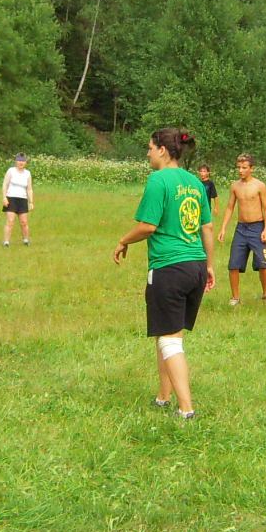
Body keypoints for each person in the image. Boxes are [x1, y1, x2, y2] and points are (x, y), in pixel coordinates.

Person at [111, 127, 214, 420]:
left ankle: (186, 409)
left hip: (169, 268)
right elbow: (206, 226)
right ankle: (163, 397)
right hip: (195, 266)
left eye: (150, 148)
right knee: (168, 332)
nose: (147, 153)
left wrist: (122, 241)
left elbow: (148, 226)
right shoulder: (194, 182)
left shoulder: (158, 180)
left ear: (163, 150)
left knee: (170, 340)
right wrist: (209, 266)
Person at [219, 153, 266, 305]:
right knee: (233, 265)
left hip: (257, 227)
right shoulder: (235, 186)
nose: (240, 171)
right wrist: (223, 228)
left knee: (263, 264)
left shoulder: (259, 186)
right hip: (241, 229)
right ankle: (235, 297)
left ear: (251, 168)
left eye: (244, 168)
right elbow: (230, 207)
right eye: (239, 167)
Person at [1, 153, 34, 246]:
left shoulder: (27, 173)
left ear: (26, 162)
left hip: (22, 199)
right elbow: (5, 184)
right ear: (16, 161)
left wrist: (31, 202)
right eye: (19, 160)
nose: (21, 163)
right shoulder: (11, 171)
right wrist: (4, 197)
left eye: (23, 161)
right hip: (11, 198)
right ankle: (6, 241)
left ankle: (26, 240)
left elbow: (29, 189)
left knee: (24, 222)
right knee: (10, 221)